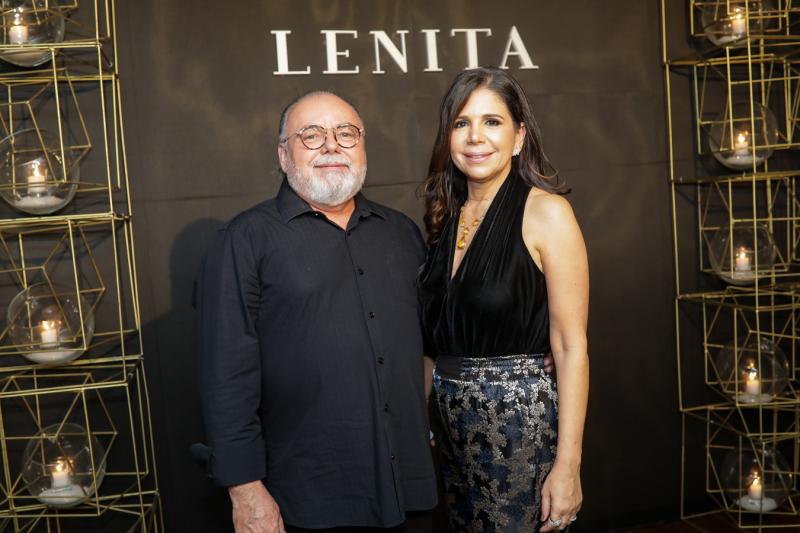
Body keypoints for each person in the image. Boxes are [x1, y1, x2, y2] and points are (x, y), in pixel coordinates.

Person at [194, 90, 438, 532]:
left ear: (362, 146)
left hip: (410, 486)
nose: (331, 146)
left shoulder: (401, 234)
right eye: (311, 135)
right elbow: (225, 376)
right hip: (307, 498)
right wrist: (245, 491)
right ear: (283, 154)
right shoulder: (244, 241)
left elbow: (430, 345)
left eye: (346, 133)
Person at [417, 67, 589, 532]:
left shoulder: (547, 212)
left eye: (492, 121)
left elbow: (570, 347)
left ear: (519, 136)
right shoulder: (445, 217)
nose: (475, 137)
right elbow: (433, 342)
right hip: (452, 437)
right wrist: (418, 421)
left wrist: (568, 466)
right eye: (461, 123)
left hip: (518, 433)